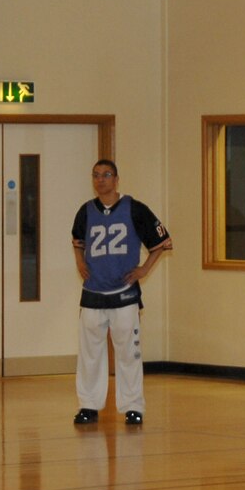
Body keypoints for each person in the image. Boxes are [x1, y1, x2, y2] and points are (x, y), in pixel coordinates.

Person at [71, 159, 171, 428]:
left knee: (129, 352)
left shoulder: (135, 209)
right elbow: (78, 242)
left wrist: (144, 270)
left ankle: (133, 407)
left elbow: (161, 242)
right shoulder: (85, 211)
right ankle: (88, 405)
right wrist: (80, 261)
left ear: (116, 179)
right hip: (93, 293)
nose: (100, 180)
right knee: (90, 352)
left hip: (124, 293)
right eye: (95, 175)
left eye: (106, 175)